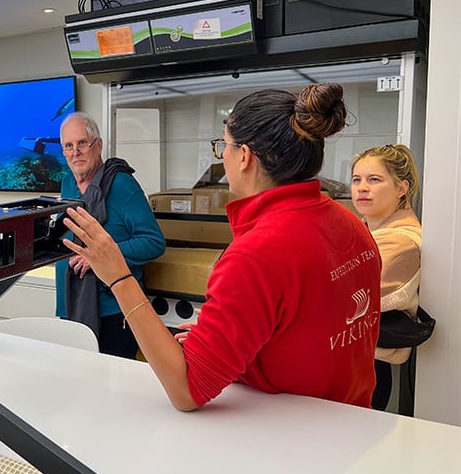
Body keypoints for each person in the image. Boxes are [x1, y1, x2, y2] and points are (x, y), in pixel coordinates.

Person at [61, 84, 381, 410]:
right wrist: (223, 335)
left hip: (293, 439)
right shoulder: (352, 223)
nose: (222, 156)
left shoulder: (254, 256)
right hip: (350, 422)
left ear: (245, 156)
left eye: (222, 146)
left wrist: (117, 275)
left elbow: (187, 390)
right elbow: (310, 327)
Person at [55, 112, 165, 359]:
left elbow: (153, 242)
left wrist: (100, 256)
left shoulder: (122, 184)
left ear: (99, 145)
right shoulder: (67, 184)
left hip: (113, 312)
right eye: (68, 146)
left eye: (83, 143)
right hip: (70, 305)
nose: (76, 152)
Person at [351, 144, 421, 410]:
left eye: (374, 179)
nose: (362, 188)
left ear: (402, 188)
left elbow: (343, 297)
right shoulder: (368, 229)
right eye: (357, 179)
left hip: (366, 367)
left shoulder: (400, 241)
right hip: (356, 360)